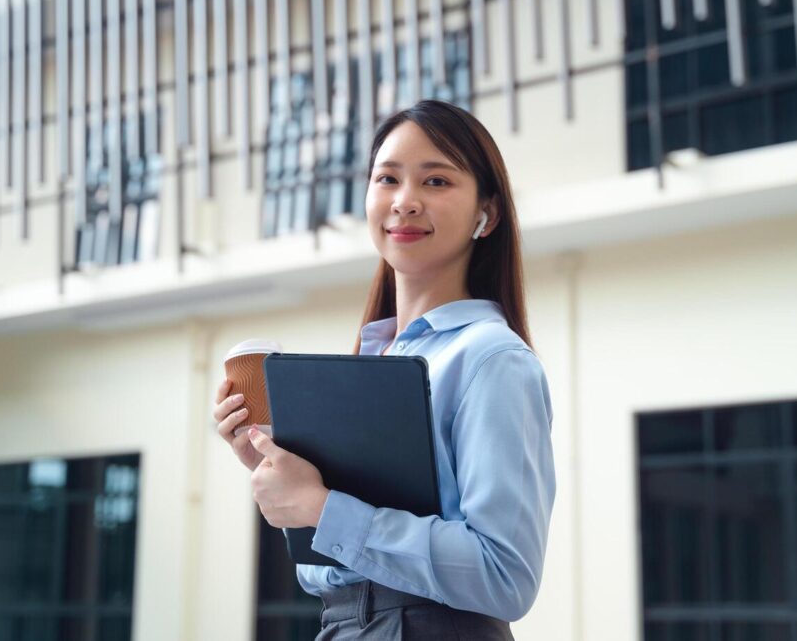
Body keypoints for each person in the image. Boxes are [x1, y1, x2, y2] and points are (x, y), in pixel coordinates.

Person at [212, 100, 555, 640]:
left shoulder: (492, 359)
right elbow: (328, 575)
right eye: (387, 178)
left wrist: (324, 507)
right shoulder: (373, 360)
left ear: (486, 214)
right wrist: (282, 478)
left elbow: (506, 577)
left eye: (436, 181)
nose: (406, 201)